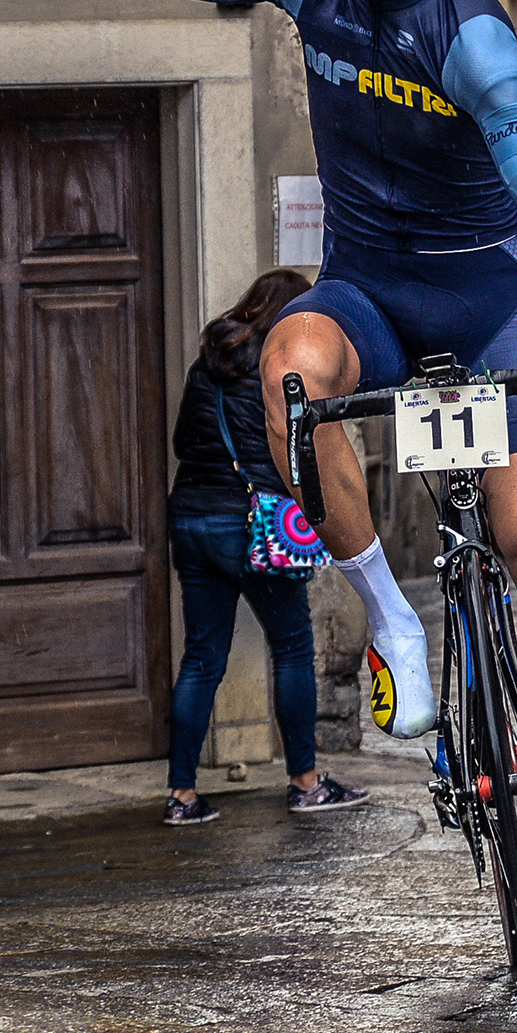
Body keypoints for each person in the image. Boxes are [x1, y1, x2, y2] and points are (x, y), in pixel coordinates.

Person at [109, 0, 517, 908]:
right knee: (289, 369)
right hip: (370, 288)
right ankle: (395, 622)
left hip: (488, 297)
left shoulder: (474, 36)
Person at [165, 268, 368, 824]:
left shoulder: (208, 363)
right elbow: (297, 450)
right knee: (294, 649)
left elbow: (184, 441)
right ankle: (305, 782)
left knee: (203, 657)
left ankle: (181, 796)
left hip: (191, 519)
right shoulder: (283, 367)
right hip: (256, 522)